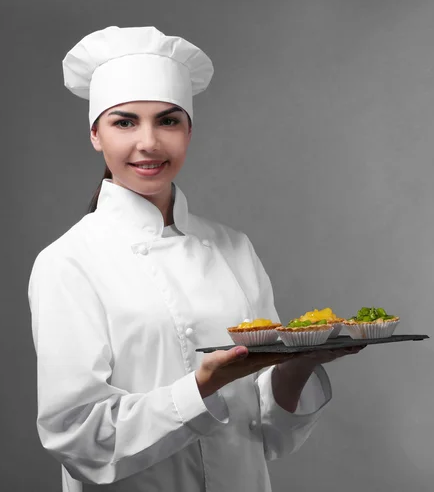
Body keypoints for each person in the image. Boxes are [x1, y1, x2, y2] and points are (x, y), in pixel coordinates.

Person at [28, 25, 363, 492]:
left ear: (189, 131)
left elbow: (267, 432)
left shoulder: (233, 247)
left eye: (168, 121)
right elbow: (80, 437)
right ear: (95, 136)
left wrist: (298, 364)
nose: (148, 143)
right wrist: (200, 385)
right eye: (124, 122)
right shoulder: (68, 262)